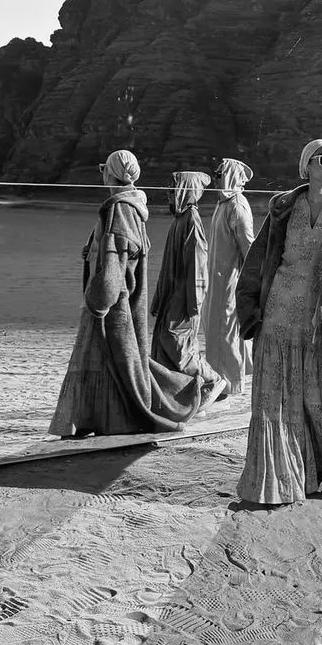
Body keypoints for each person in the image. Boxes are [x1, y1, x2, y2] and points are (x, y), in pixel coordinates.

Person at [235, 138, 322, 505]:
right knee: (273, 400)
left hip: (319, 321)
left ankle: (318, 474)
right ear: (306, 166)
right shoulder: (282, 207)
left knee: (316, 401)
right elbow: (257, 260)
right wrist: (248, 311)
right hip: (277, 314)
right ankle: (273, 481)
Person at [49, 149, 203, 438]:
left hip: (113, 304)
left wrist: (99, 302)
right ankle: (99, 422)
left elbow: (116, 258)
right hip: (116, 301)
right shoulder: (128, 206)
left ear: (111, 174)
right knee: (115, 362)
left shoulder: (121, 208)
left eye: (104, 170)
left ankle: (180, 393)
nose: (102, 175)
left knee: (117, 362)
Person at [150, 170, 214, 396]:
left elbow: (198, 265)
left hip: (183, 299)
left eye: (173, 188)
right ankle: (174, 395)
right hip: (172, 296)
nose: (168, 193)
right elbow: (166, 266)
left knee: (176, 343)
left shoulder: (192, 220)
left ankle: (212, 381)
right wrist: (159, 299)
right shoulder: (179, 220)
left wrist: (194, 304)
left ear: (186, 190)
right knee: (164, 342)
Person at [202, 158, 255, 398]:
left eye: (219, 174)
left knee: (226, 330)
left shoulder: (237, 206)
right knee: (216, 328)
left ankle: (229, 385)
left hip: (229, 281)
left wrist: (249, 283)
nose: (215, 178)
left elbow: (248, 247)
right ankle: (221, 381)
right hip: (216, 280)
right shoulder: (223, 204)